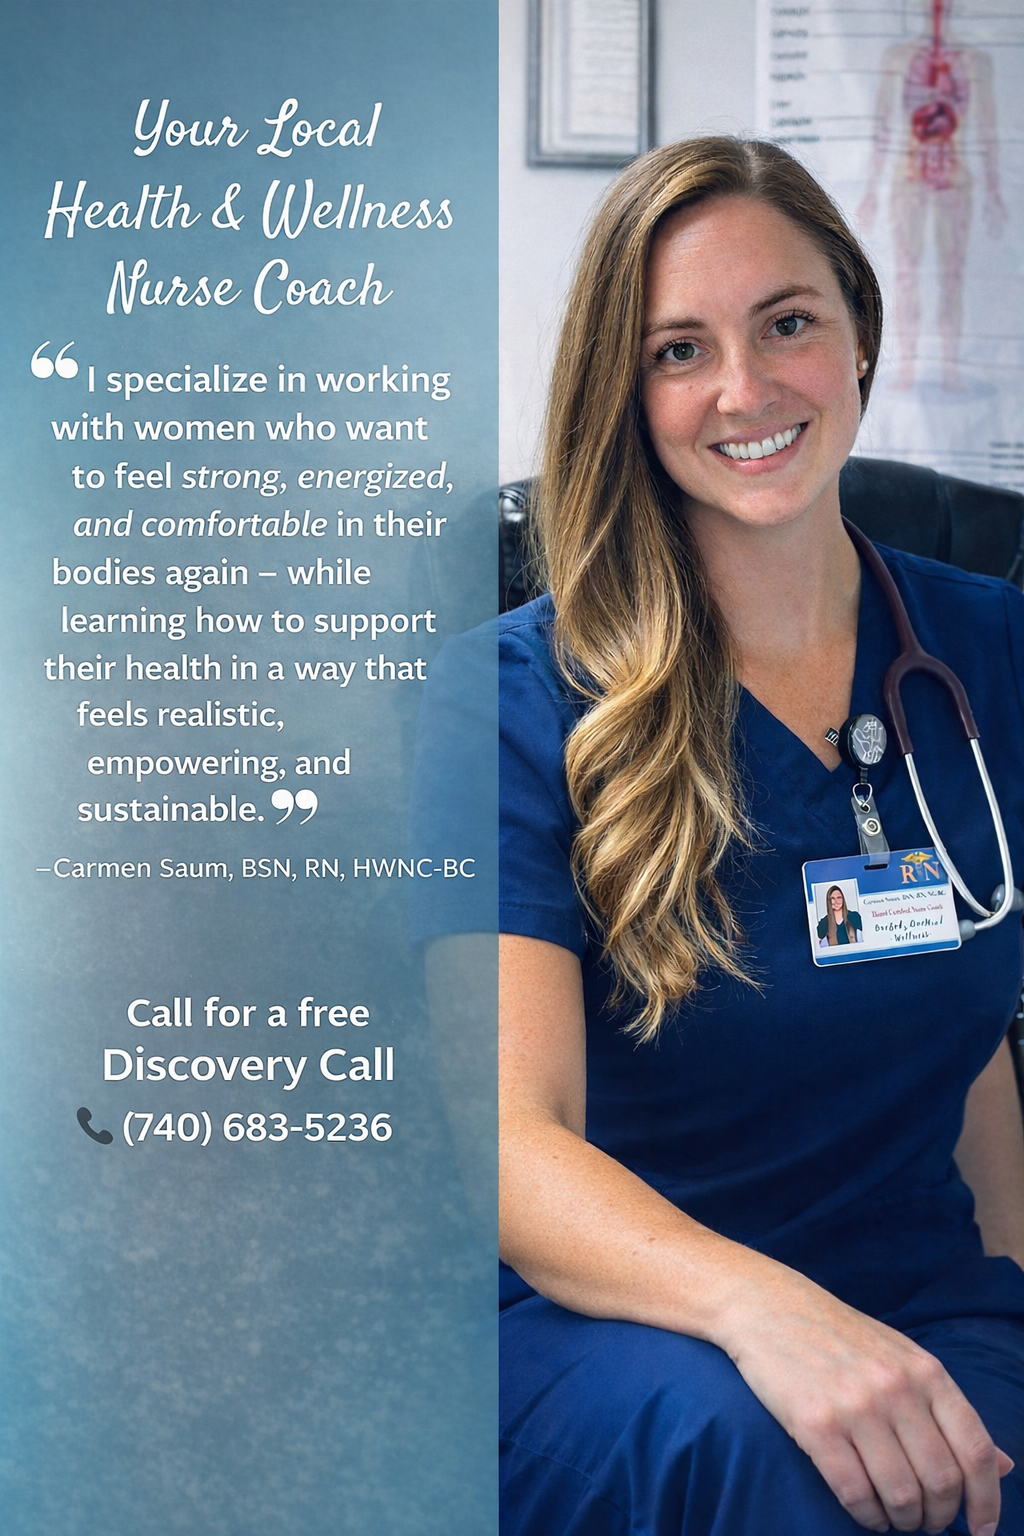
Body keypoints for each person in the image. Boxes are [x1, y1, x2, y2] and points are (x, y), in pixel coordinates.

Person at [498, 137, 1024, 1536]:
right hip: (608, 1324)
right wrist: (770, 1315)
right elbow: (508, 1144)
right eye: (678, 349)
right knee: (778, 1472)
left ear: (859, 326)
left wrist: (1005, 1311)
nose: (745, 389)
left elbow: (970, 1044)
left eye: (787, 321)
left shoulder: (989, 654)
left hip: (913, 1288)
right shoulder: (508, 703)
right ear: (625, 390)